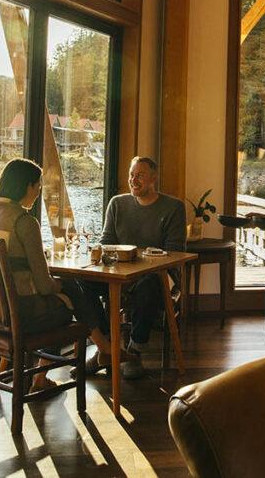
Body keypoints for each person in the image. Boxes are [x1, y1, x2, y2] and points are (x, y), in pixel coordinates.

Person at [0, 158, 115, 393]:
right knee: (66, 302)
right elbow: (44, 286)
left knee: (67, 292)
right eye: (38, 186)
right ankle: (101, 351)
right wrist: (62, 286)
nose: (38, 193)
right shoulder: (23, 222)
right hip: (23, 314)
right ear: (27, 186)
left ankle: (103, 349)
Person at [82, 156, 187, 379]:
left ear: (153, 179)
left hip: (156, 276)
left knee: (148, 286)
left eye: (140, 175)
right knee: (82, 284)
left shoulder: (173, 207)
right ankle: (107, 348)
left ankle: (134, 350)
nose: (133, 180)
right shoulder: (117, 204)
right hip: (119, 274)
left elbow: (175, 252)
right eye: (131, 175)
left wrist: (135, 257)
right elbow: (107, 240)